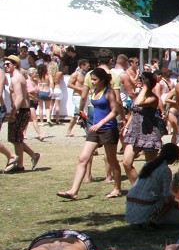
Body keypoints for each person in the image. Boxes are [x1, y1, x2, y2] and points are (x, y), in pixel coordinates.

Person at [57, 68, 123, 198]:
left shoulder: (108, 92)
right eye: (91, 79)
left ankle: (117, 188)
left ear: (102, 80)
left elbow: (114, 111)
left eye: (95, 79)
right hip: (94, 129)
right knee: (83, 158)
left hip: (108, 128)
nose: (92, 82)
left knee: (111, 160)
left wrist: (100, 123)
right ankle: (73, 191)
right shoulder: (94, 91)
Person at [125, 144, 179, 228]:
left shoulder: (148, 164)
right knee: (174, 205)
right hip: (145, 209)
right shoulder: (165, 170)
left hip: (130, 208)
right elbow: (167, 199)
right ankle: (155, 220)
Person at [122, 71, 163, 185]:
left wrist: (145, 87)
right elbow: (134, 111)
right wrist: (127, 126)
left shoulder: (153, 98)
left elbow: (139, 103)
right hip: (135, 131)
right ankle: (136, 188)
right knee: (126, 163)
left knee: (150, 167)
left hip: (149, 132)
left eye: (142, 79)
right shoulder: (140, 94)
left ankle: (154, 191)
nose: (138, 81)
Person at [3, 55, 41, 173]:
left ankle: (19, 165)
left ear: (15, 65)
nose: (6, 66)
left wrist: (13, 113)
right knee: (14, 138)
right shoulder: (16, 77)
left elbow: (19, 97)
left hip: (21, 110)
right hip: (21, 110)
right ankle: (33, 156)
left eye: (8, 64)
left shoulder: (16, 78)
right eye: (4, 64)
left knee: (16, 139)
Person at [65, 59, 90, 137]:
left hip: (84, 96)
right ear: (82, 66)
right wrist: (80, 89)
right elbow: (69, 84)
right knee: (84, 112)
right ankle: (87, 131)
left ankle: (69, 130)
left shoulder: (87, 75)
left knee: (76, 114)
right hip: (77, 96)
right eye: (87, 66)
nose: (88, 67)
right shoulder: (76, 74)